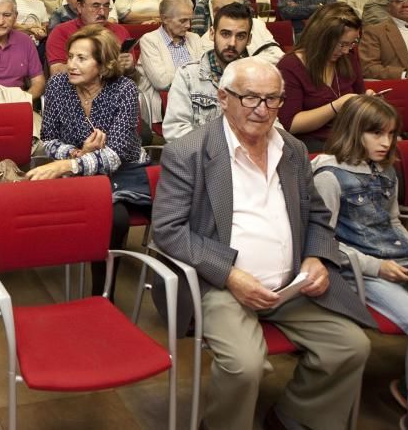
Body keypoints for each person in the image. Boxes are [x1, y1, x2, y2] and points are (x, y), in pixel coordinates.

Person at [152, 57, 373, 430]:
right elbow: (168, 229)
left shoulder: (292, 149)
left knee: (351, 347)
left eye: (273, 99)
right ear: (223, 98)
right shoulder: (188, 152)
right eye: (250, 98)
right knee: (245, 365)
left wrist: (317, 257)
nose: (262, 109)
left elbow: (318, 216)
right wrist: (232, 275)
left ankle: (293, 417)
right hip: (224, 285)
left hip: (290, 286)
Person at [312, 95, 408, 430]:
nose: (386, 143)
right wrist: (375, 267)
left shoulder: (384, 169)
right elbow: (322, 242)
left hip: (400, 262)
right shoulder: (329, 175)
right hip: (362, 272)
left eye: (392, 134)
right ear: (355, 131)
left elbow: (393, 223)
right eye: (376, 134)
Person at [26, 26, 150, 296]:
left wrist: (68, 164)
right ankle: (101, 294)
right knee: (108, 215)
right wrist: (77, 154)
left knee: (117, 217)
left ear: (103, 64)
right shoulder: (58, 86)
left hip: (125, 171)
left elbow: (116, 154)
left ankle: (104, 294)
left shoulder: (124, 90)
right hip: (81, 174)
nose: (71, 64)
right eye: (70, 57)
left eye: (81, 58)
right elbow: (48, 138)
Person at [278, 2, 367, 152]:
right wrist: (336, 106)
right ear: (321, 38)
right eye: (341, 44)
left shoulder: (348, 58)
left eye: (352, 44)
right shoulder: (290, 65)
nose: (346, 51)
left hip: (350, 136)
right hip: (312, 144)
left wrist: (368, 101)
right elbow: (291, 124)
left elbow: (359, 95)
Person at [163, 2, 252, 140]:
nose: (232, 43)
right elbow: (175, 131)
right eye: (225, 34)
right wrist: (223, 148)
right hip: (200, 159)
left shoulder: (257, 79)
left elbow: (271, 127)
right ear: (212, 33)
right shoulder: (187, 75)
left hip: (244, 157)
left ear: (249, 39)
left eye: (240, 36)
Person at [137, 0, 204, 124]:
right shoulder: (149, 40)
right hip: (164, 104)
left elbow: (205, 73)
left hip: (195, 101)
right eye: (183, 20)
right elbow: (162, 82)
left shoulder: (194, 38)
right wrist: (193, 76)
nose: (188, 26)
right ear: (165, 19)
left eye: (190, 20)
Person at [46, 0, 131, 75]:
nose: (102, 12)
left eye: (106, 5)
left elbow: (133, 76)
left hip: (117, 87)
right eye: (96, 6)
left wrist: (130, 68)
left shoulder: (120, 31)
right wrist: (105, 66)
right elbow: (56, 72)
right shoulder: (61, 32)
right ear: (80, 7)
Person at [201, 0, 284, 64]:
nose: (224, 13)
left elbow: (278, 56)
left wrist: (246, 62)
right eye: (217, 10)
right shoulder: (207, 38)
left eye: (230, 8)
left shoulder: (258, 24)